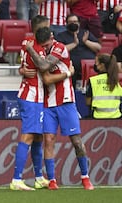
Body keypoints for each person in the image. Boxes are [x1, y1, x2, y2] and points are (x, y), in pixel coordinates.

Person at [25, 26, 94, 190]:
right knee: (48, 140)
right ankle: (52, 180)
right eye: (42, 45)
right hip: (48, 104)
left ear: (51, 37)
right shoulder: (40, 52)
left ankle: (85, 177)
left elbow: (43, 68)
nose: (45, 47)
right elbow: (47, 79)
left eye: (46, 44)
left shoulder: (60, 48)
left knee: (76, 141)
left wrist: (30, 50)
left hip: (66, 101)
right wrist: (68, 74)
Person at [9, 15, 50, 191]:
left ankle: (39, 177)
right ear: (39, 29)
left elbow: (24, 65)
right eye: (47, 28)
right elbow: (44, 67)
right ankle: (16, 179)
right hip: (31, 95)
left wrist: (22, 69)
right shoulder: (38, 48)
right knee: (28, 136)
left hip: (35, 94)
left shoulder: (26, 41)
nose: (50, 31)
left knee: (38, 137)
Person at [55, 14, 101, 89]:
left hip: (88, 65)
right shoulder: (61, 36)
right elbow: (58, 50)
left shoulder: (86, 33)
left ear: (79, 23)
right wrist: (74, 44)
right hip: (70, 66)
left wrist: (86, 42)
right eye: (70, 22)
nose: (73, 23)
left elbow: (98, 48)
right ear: (66, 24)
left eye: (75, 21)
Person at [85, 54, 122, 118]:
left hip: (97, 116)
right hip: (117, 116)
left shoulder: (93, 80)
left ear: (102, 65)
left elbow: (88, 102)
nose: (95, 65)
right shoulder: (118, 80)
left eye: (96, 63)